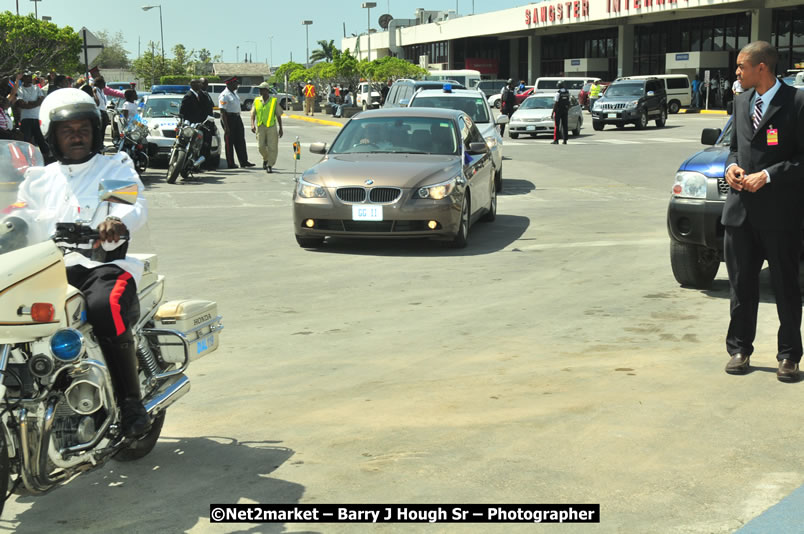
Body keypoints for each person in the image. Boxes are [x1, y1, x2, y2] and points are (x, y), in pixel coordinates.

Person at [7, 88, 151, 437]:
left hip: (100, 267)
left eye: (83, 128)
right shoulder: (39, 179)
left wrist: (116, 222)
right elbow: (19, 217)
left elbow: (129, 206)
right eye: (67, 130)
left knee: (105, 306)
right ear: (51, 135)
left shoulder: (111, 167)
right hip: (47, 268)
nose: (76, 135)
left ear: (95, 131)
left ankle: (131, 403)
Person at [721, 41, 804, 382]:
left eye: (742, 67)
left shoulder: (797, 102)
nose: (736, 73)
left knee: (785, 286)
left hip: (780, 215)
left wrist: (769, 175)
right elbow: (733, 150)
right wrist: (731, 168)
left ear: (762, 68)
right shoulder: (741, 102)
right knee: (741, 285)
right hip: (740, 213)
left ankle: (788, 356)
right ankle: (740, 349)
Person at [218, 76, 255, 169]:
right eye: (235, 83)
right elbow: (222, 112)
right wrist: (226, 127)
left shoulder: (234, 93)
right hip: (228, 119)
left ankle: (244, 161)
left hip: (237, 118)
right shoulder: (224, 95)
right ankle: (230, 163)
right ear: (230, 84)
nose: (237, 85)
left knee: (240, 140)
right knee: (229, 142)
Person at [250, 82, 284, 173]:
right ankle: (266, 158)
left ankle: (269, 165)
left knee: (272, 147)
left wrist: (281, 128)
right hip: (260, 126)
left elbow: (278, 115)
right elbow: (253, 114)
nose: (260, 91)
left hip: (271, 127)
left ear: (267, 90)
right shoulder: (257, 100)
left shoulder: (273, 101)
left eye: (262, 89)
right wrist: (252, 124)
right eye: (260, 89)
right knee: (260, 147)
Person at [16, 73, 48, 155]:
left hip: (36, 117)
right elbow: (21, 104)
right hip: (25, 118)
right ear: (24, 78)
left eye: (30, 77)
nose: (30, 78)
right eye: (27, 77)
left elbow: (41, 100)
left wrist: (29, 103)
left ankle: (46, 156)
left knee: (41, 140)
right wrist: (35, 103)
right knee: (26, 140)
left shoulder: (36, 88)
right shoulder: (20, 89)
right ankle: (26, 158)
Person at [552, 80, 570, 145]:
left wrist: (552, 112)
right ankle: (565, 140)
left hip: (558, 110)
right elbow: (569, 102)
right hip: (565, 110)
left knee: (557, 125)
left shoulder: (558, 93)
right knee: (565, 125)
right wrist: (567, 109)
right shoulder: (567, 92)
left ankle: (556, 140)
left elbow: (556, 103)